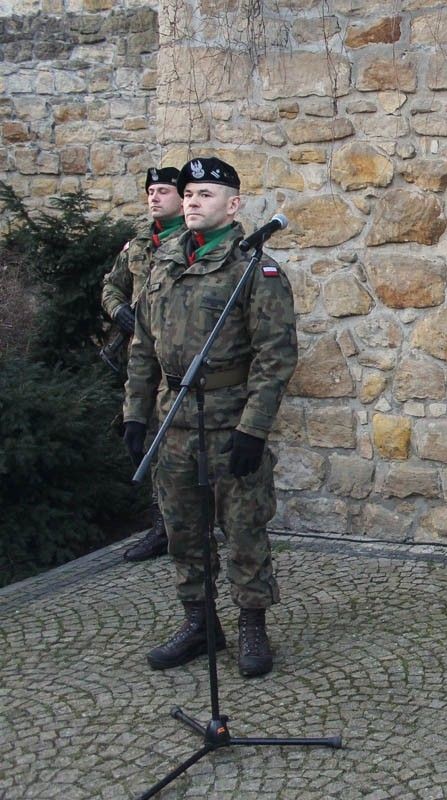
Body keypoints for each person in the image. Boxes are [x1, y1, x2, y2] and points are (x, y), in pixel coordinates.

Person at [123, 157, 297, 678]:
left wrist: (254, 428)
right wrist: (134, 413)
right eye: (190, 193)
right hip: (175, 421)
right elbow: (142, 346)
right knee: (183, 529)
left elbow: (276, 356)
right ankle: (200, 623)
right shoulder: (163, 264)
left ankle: (251, 626)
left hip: (229, 422)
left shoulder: (254, 269)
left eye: (205, 194)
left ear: (233, 204)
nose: (194, 201)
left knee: (243, 528)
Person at [101, 167, 185, 562]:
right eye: (150, 190)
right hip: (139, 358)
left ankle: (191, 525)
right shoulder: (136, 244)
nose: (154, 197)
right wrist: (118, 312)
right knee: (146, 439)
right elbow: (111, 286)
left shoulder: (190, 242)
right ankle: (161, 526)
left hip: (176, 359)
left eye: (163, 190)